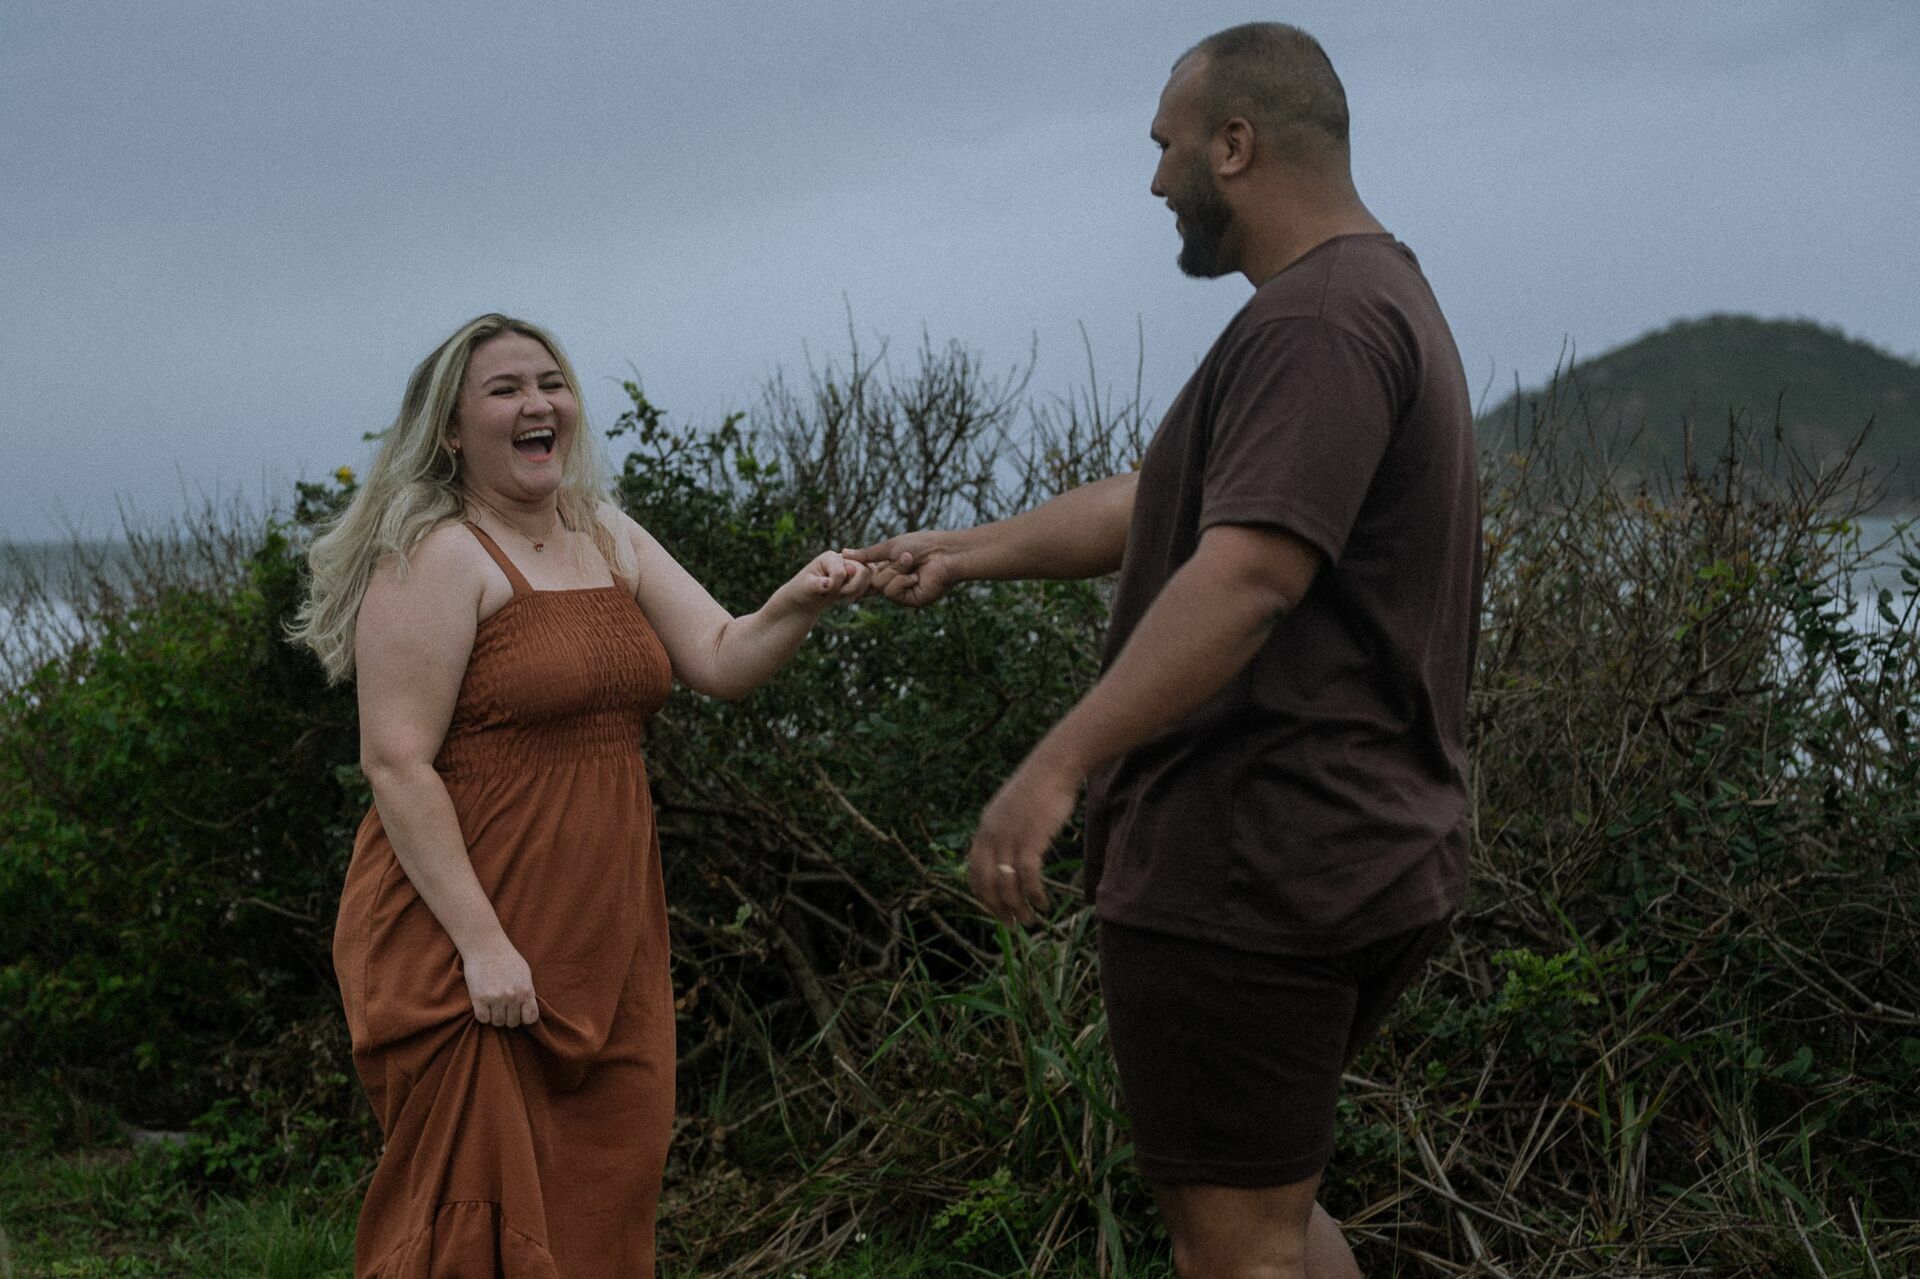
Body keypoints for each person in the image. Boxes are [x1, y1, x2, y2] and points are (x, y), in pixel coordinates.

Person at [854, 24, 1480, 1279]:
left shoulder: (1317, 324)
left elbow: (1249, 576)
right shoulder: (1368, 298)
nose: (1154, 181)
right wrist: (963, 552)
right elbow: (1160, 504)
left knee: (1234, 1247)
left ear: (1234, 145)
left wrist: (1056, 765)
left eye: (1167, 147)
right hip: (1350, 852)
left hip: (1254, 862)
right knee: (1270, 1214)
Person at [291, 313, 869, 1277]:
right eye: (505, 389)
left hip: (606, 939)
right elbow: (395, 763)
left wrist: (800, 598)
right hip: (465, 940)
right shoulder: (435, 556)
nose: (538, 403)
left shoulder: (605, 533)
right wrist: (483, 947)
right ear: (450, 429)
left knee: (604, 1209)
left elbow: (722, 656)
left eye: (550, 382)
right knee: (473, 1231)